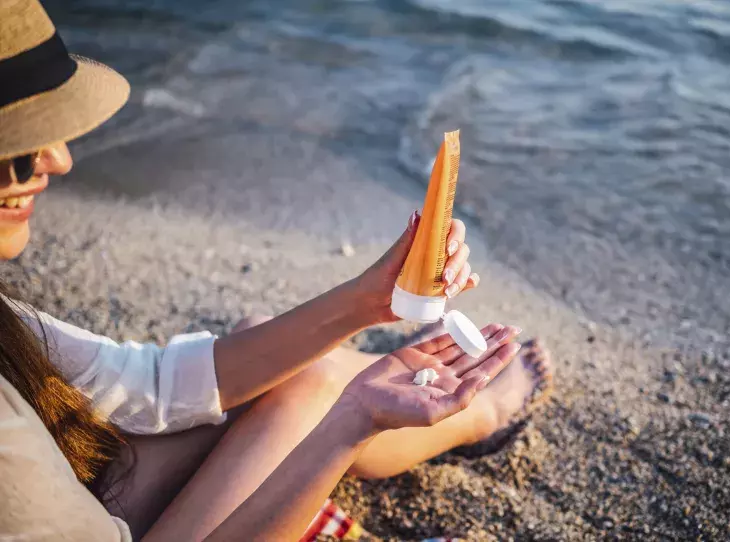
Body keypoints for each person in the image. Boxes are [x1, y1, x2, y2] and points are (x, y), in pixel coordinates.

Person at [0, 1, 552, 541]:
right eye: (20, 134)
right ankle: (486, 412)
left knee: (282, 360)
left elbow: (148, 383)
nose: (59, 158)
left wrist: (366, 302)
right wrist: (352, 421)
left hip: (88, 489)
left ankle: (453, 406)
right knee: (317, 390)